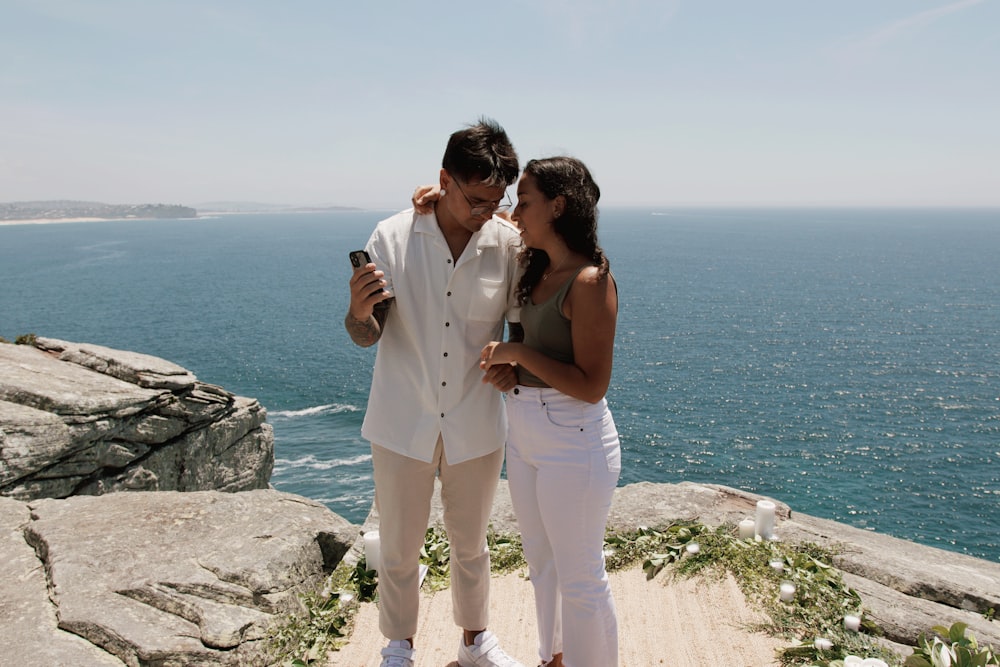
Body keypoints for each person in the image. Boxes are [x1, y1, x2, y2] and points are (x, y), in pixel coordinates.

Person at [416, 156, 620, 667]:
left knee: (580, 577)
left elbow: (592, 386)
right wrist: (430, 200)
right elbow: (467, 212)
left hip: (574, 436)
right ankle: (554, 657)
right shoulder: (536, 264)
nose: (513, 209)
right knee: (543, 564)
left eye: (524, 200)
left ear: (558, 205)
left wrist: (517, 355)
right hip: (527, 427)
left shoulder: (590, 281)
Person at [345, 118, 526, 667]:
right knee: (398, 547)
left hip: (475, 419)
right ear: (444, 179)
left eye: (496, 200)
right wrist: (356, 311)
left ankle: (476, 641)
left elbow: (518, 335)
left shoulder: (509, 244)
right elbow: (367, 334)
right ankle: (398, 646)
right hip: (403, 418)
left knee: (472, 544)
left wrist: (510, 368)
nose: (485, 213)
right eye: (475, 199)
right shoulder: (392, 237)